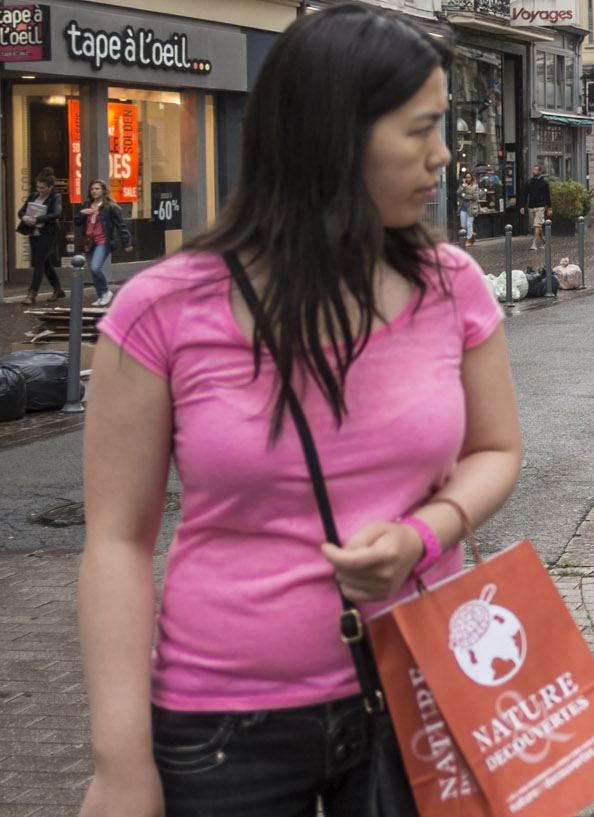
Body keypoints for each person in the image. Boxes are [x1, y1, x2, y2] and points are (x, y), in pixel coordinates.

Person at [76, 6, 523, 815]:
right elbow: (114, 541)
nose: (443, 154)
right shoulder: (162, 311)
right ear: (335, 137)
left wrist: (427, 533)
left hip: (417, 690)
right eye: (421, 128)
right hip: (223, 729)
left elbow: (497, 449)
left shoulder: (449, 283)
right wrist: (121, 764)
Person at [75, 179, 132, 307]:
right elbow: (77, 222)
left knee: (96, 267)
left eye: (97, 189)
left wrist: (126, 242)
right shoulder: (86, 205)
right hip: (89, 242)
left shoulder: (110, 207)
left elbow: (121, 225)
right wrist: (82, 213)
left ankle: (106, 292)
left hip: (103, 241)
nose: (94, 191)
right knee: (93, 270)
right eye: (92, 189)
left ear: (103, 191)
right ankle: (100, 295)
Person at [16, 173, 65, 308]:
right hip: (33, 232)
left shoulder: (55, 197)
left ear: (50, 187)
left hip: (47, 233)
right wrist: (27, 219)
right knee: (45, 263)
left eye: (42, 188)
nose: (39, 190)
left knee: (38, 262)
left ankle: (32, 294)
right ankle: (58, 289)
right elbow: (21, 212)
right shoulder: (33, 196)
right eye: (38, 187)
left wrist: (37, 219)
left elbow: (56, 213)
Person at [522, 163, 551, 249]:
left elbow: (547, 195)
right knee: (535, 225)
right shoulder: (530, 182)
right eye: (533, 170)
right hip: (531, 206)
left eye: (535, 170)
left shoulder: (544, 183)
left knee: (537, 224)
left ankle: (534, 243)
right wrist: (522, 206)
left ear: (540, 171)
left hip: (540, 206)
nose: (533, 171)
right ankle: (543, 241)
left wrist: (549, 207)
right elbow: (525, 194)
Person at [458, 170, 484, 246]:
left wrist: (464, 195)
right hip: (463, 208)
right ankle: (471, 234)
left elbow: (475, 197)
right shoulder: (463, 185)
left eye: (469, 177)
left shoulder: (475, 186)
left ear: (472, 178)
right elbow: (458, 193)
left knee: (469, 224)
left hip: (472, 208)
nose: (468, 179)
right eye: (466, 177)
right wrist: (463, 185)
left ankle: (468, 239)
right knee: (463, 225)